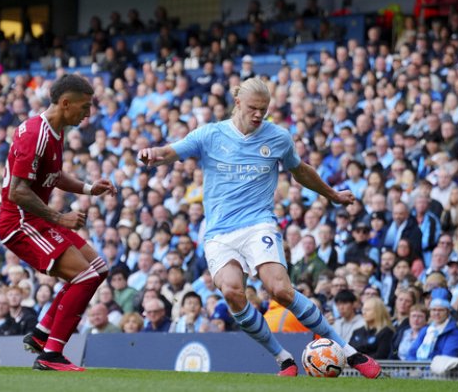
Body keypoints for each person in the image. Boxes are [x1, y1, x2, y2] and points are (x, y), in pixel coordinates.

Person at [138, 78, 382, 378]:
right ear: (237, 103)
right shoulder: (210, 134)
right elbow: (171, 151)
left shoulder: (278, 137)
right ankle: (284, 359)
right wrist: (152, 153)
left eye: (263, 110)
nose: (258, 115)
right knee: (231, 292)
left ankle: (349, 352)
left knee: (280, 289)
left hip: (257, 224)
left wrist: (331, 194)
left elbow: (300, 170)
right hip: (219, 232)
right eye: (253, 108)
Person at [0, 74, 116, 371]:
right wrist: (60, 217)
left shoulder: (55, 129)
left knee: (98, 269)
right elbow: (18, 191)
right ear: (65, 103)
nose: (88, 113)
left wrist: (88, 188)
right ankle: (51, 355)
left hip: (37, 219)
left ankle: (41, 335)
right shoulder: (36, 133)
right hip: (20, 223)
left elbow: (53, 175)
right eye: (84, 106)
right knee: (84, 277)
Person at [407, 288, 458, 360]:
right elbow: (411, 353)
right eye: (433, 310)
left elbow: (446, 359)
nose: (436, 313)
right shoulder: (425, 330)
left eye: (441, 310)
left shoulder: (455, 333)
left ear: (448, 312)